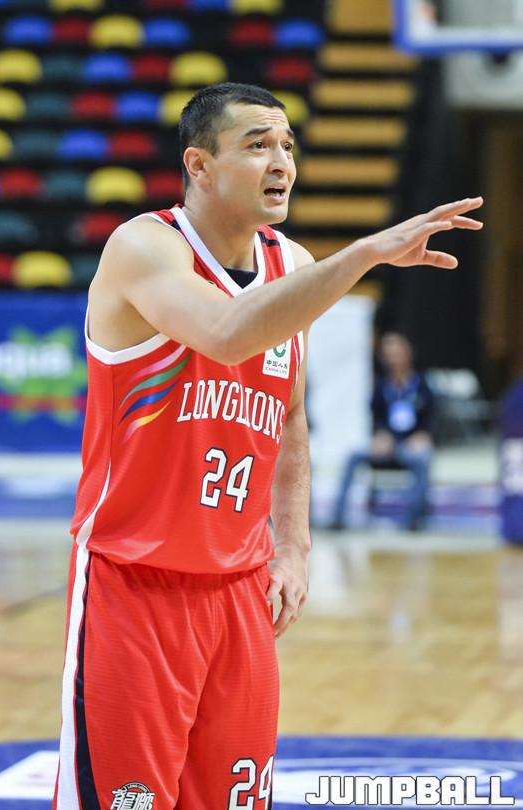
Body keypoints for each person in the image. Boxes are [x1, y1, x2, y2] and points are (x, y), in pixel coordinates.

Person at [52, 82, 483, 809]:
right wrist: (365, 254)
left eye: (287, 145)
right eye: (257, 145)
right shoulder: (145, 246)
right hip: (134, 585)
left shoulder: (293, 264)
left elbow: (289, 422)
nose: (281, 161)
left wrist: (294, 547)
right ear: (199, 165)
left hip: (238, 591)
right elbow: (226, 334)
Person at [332, 331, 436, 531]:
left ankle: (415, 519)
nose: (392, 358)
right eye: (388, 354)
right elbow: (375, 417)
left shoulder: (422, 384)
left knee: (423, 458)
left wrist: (423, 435)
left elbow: (432, 417)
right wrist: (380, 434)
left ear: (407, 353)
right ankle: (338, 517)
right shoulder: (381, 386)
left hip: (410, 443)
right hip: (386, 443)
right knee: (353, 456)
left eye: (396, 352)